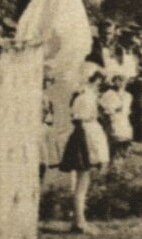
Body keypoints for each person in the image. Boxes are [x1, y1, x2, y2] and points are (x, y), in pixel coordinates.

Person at [58, 62, 110, 235]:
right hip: (85, 139)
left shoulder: (87, 95)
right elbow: (81, 121)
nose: (100, 84)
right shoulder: (84, 97)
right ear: (92, 80)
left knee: (83, 181)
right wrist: (93, 149)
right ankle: (79, 221)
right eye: (98, 80)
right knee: (82, 181)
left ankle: (79, 220)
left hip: (87, 135)